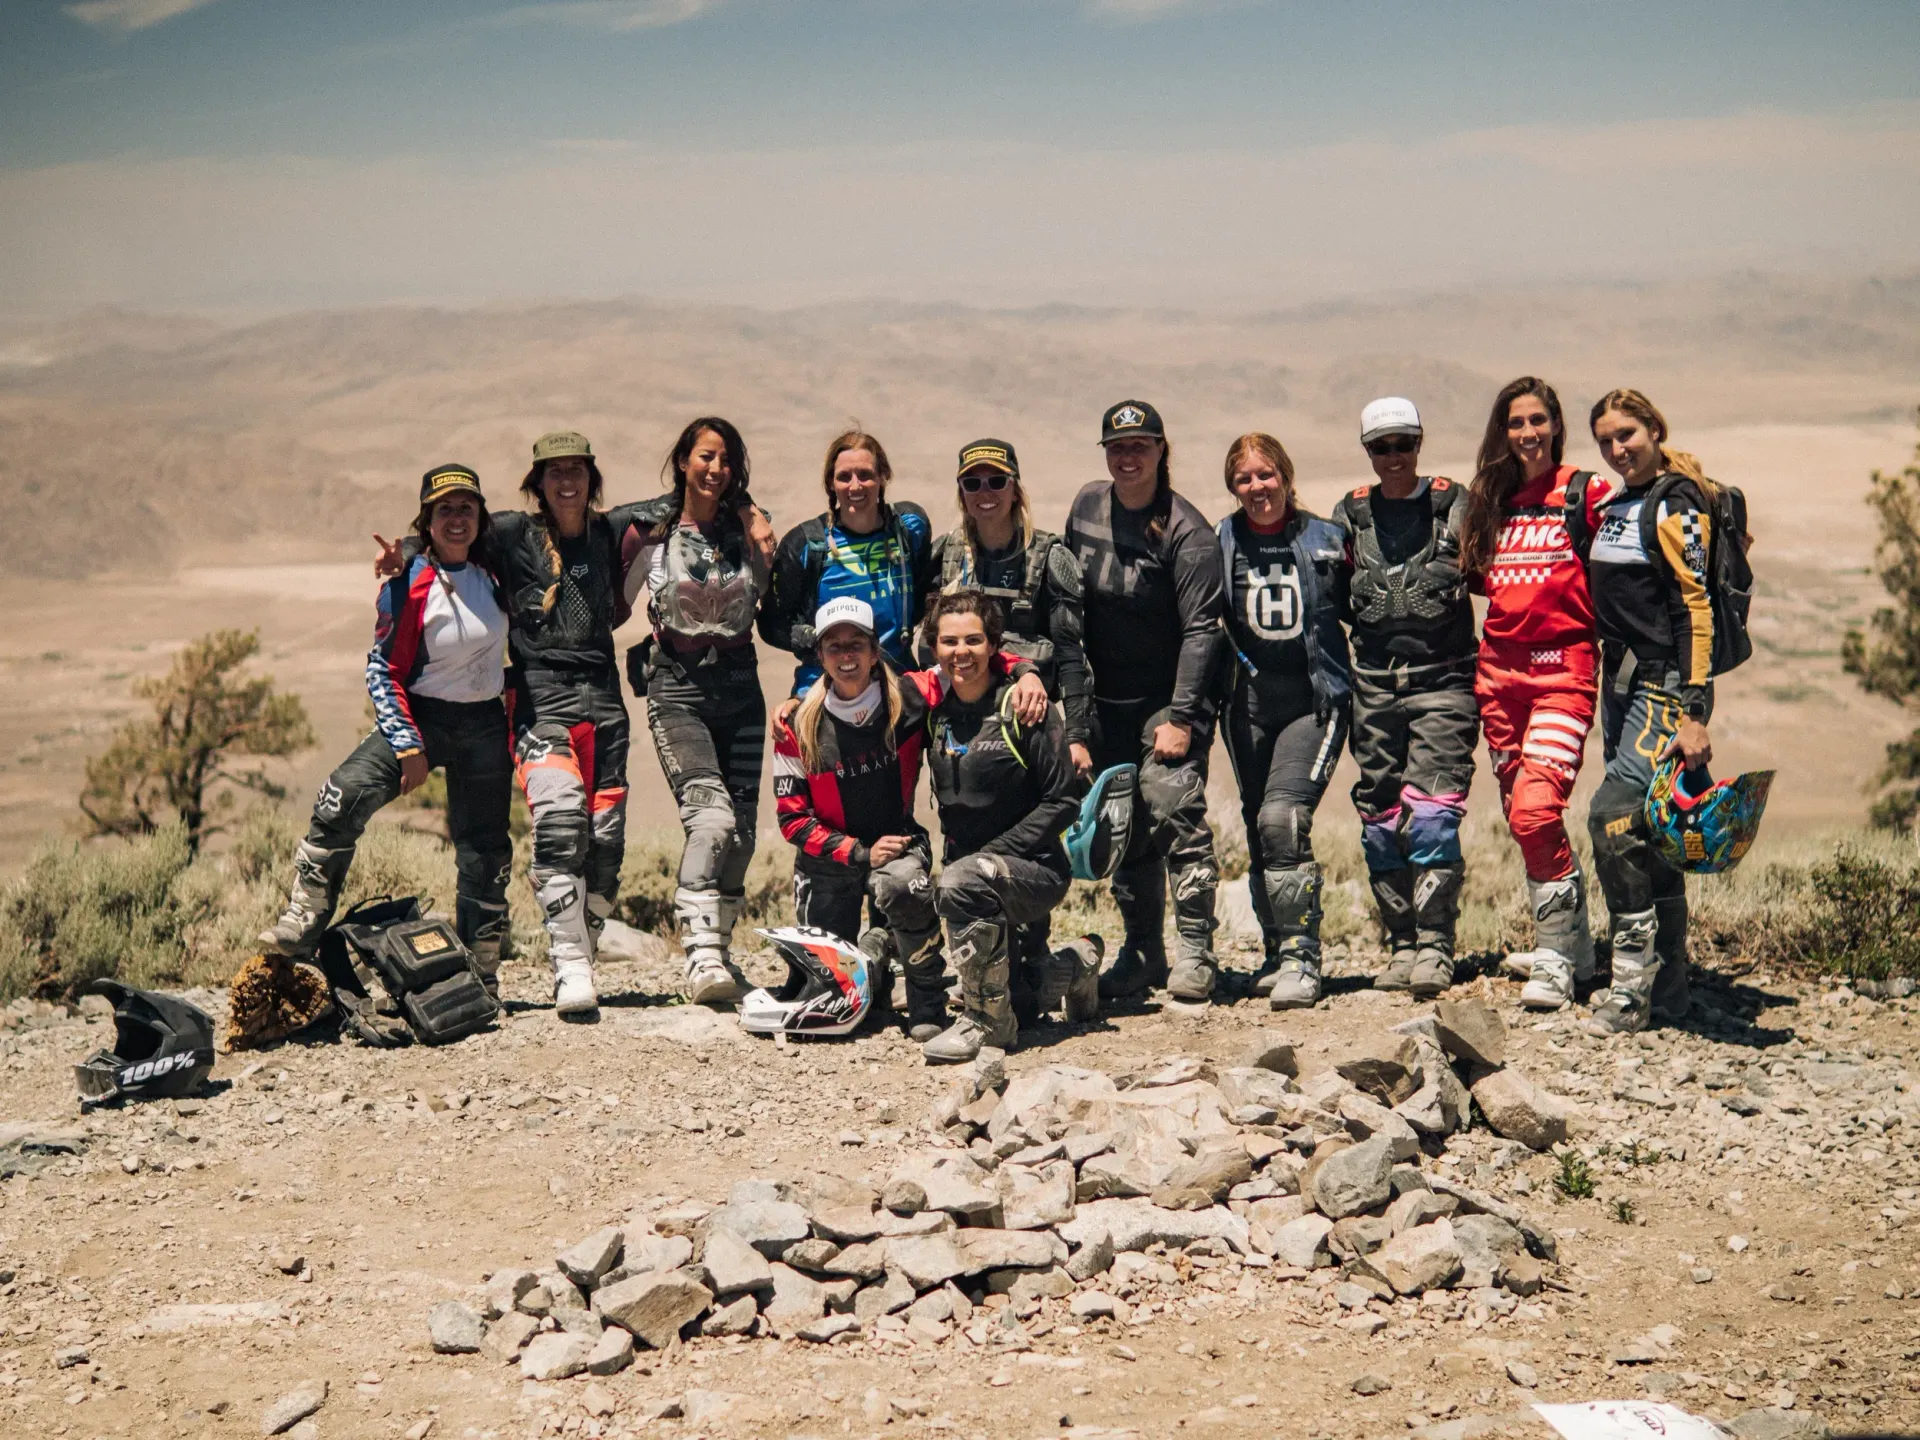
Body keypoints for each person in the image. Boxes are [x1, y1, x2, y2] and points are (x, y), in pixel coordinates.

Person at [374, 431, 771, 1018]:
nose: (566, 482)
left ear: (592, 479)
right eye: (554, 472)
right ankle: (569, 965)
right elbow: (448, 533)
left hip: (605, 703)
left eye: (577, 471)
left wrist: (749, 509)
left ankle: (581, 941)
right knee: (560, 824)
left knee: (606, 845)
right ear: (538, 483)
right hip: (540, 698)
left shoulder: (613, 530)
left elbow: (688, 501)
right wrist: (404, 555)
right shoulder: (510, 532)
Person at [262, 465, 513, 994]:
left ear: (481, 516)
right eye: (444, 509)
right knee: (340, 797)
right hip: (422, 716)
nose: (457, 519)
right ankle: (303, 924)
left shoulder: (498, 569)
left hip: (485, 722)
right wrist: (407, 746)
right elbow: (382, 669)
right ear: (427, 519)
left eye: (467, 507)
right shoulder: (408, 584)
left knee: (485, 848)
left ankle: (482, 969)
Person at [925, 437, 1091, 1023]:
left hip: (1033, 716)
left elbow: (1071, 652)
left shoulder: (1051, 556)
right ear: (961, 493)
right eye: (973, 483)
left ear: (1016, 487)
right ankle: (1047, 975)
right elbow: (936, 639)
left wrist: (1077, 735)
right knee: (977, 815)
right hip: (976, 709)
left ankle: (1047, 967)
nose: (985, 493)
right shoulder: (947, 556)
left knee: (1025, 824)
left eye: (997, 481)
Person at [1067, 401, 1227, 1003]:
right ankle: (1142, 952)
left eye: (1140, 445)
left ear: (1163, 450)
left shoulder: (1188, 533)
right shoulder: (1087, 506)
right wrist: (1078, 715)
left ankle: (1197, 952)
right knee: (1120, 822)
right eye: (1116, 446)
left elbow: (1202, 632)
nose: (1127, 456)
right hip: (1106, 698)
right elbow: (1069, 611)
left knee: (1170, 805)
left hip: (1168, 699)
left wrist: (1182, 717)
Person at [1459, 378, 1610, 1010]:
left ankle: (1552, 959)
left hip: (1563, 675)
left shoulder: (1585, 493)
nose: (1528, 433)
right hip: (1498, 679)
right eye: (1515, 422)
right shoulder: (1489, 499)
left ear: (1556, 425)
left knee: (1534, 810)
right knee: (1524, 819)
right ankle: (1571, 944)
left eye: (1538, 420)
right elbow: (1475, 580)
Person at [1584, 388, 1729, 1034]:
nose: (1618, 449)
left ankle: (1631, 986)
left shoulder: (1676, 503)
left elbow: (1695, 609)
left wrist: (1695, 711)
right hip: (1619, 682)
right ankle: (1670, 993)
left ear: (1654, 428)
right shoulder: (1623, 504)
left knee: (1612, 816)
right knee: (1652, 830)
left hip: (1666, 685)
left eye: (1627, 435)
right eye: (1606, 441)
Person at [1333, 397, 1479, 998]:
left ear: (1419, 444)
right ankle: (1401, 943)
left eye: (1403, 444)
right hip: (1373, 683)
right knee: (1380, 814)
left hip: (1443, 679)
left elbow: (1499, 569)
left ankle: (1437, 946)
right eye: (1381, 447)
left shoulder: (1454, 505)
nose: (1394, 457)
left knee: (1433, 813)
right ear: (1368, 453)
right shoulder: (1352, 515)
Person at [622, 418, 768, 1005]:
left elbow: (772, 597)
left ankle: (722, 952)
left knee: (745, 836)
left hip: (741, 689)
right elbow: (606, 607)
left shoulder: (748, 530)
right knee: (711, 821)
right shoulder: (648, 535)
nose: (715, 469)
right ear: (683, 460)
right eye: (705, 456)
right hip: (677, 691)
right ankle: (700, 957)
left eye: (726, 460)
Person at [1214, 434, 1353, 1010]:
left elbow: (1363, 607)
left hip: (1312, 702)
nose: (1257, 488)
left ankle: (1302, 956)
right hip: (1246, 705)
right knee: (1254, 824)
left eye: (1266, 475)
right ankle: (1275, 952)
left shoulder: (1326, 538)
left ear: (1286, 477)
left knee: (1282, 819)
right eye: (1244, 478)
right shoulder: (1220, 539)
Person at [920, 589, 1080, 1062]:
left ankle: (987, 1024)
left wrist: (990, 857)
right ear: (935, 649)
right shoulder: (935, 711)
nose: (961, 652)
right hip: (972, 877)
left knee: (961, 882)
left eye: (973, 640)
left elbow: (1064, 800)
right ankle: (1077, 966)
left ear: (993, 644)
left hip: (1035, 872)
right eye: (949, 642)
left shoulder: (1024, 708)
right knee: (1027, 1003)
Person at [759, 430, 935, 695]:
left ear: (883, 477)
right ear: (830, 483)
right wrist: (825, 643)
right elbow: (772, 626)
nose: (855, 486)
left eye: (865, 475)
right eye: (844, 477)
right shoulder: (806, 544)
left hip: (898, 687)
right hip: (823, 690)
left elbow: (923, 594)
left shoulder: (911, 527)